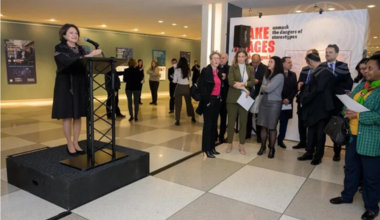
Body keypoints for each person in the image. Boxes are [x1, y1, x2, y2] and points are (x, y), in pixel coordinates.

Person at [330, 55, 380, 220]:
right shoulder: (361, 87)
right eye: (365, 68)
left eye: (370, 68)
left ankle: (372, 207)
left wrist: (358, 116)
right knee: (351, 169)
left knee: (371, 175)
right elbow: (347, 104)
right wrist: (347, 111)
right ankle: (347, 196)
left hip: (371, 140)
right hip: (352, 136)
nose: (365, 71)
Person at [52, 24, 102, 155]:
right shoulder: (60, 48)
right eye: (71, 32)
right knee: (68, 115)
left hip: (80, 83)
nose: (75, 35)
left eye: (76, 33)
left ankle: (76, 142)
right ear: (64, 35)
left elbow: (84, 64)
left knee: (78, 115)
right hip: (65, 84)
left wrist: (91, 57)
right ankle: (69, 142)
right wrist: (88, 55)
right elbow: (68, 62)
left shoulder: (81, 49)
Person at [297, 53, 335, 165]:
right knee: (311, 131)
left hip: (322, 108)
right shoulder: (321, 70)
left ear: (311, 62)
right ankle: (309, 153)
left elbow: (318, 89)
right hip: (314, 107)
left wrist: (305, 99)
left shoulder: (325, 71)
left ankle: (318, 156)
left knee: (320, 133)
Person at [324, 44, 353, 162]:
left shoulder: (343, 66)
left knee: (337, 126)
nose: (327, 54)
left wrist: (344, 91)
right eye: (326, 52)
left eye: (330, 52)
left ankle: (336, 152)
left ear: (336, 54)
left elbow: (348, 81)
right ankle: (318, 151)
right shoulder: (321, 66)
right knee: (323, 126)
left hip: (337, 102)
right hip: (324, 102)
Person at [225, 49, 255, 155]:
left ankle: (241, 144)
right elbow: (231, 81)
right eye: (239, 56)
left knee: (243, 123)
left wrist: (243, 84)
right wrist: (245, 88)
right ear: (236, 57)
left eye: (243, 56)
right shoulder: (233, 67)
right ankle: (230, 143)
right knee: (231, 123)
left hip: (244, 98)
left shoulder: (250, 68)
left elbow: (252, 82)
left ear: (246, 57)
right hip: (232, 98)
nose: (241, 58)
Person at [256, 56, 285, 158]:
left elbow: (267, 89)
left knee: (272, 127)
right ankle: (263, 146)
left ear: (276, 64)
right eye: (269, 62)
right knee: (263, 126)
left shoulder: (280, 75)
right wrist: (266, 86)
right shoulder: (267, 73)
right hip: (264, 102)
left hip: (274, 104)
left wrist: (265, 86)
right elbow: (264, 87)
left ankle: (272, 148)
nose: (269, 63)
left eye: (271, 62)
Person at [197, 51, 224, 158]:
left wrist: (220, 97)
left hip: (217, 101)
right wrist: (207, 101)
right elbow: (201, 87)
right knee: (208, 126)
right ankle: (206, 149)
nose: (217, 60)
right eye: (214, 58)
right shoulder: (206, 71)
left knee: (214, 126)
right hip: (209, 101)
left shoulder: (218, 72)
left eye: (218, 58)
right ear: (211, 60)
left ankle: (212, 147)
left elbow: (219, 87)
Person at [293, 49, 319, 149]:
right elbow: (300, 80)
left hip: (313, 101)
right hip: (302, 99)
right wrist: (299, 83)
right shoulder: (304, 69)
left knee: (312, 124)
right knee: (301, 123)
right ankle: (302, 142)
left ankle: (312, 144)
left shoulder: (319, 69)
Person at [277, 57, 297, 149]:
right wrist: (282, 99)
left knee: (284, 123)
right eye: (289, 62)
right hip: (277, 102)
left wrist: (288, 99)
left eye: (291, 62)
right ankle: (272, 139)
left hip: (288, 104)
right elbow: (276, 88)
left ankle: (280, 140)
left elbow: (295, 89)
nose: (291, 64)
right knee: (274, 122)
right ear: (283, 63)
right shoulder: (277, 74)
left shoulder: (293, 75)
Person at [250, 54, 268, 143]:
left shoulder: (265, 68)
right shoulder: (247, 66)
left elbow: (266, 81)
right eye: (253, 62)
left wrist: (259, 81)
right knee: (247, 115)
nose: (254, 64)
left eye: (256, 62)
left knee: (258, 116)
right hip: (248, 94)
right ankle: (246, 134)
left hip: (259, 95)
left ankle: (259, 136)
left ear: (260, 61)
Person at [173, 57, 196, 126]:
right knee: (189, 103)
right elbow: (189, 80)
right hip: (186, 87)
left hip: (179, 87)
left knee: (178, 105)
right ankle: (193, 117)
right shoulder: (188, 70)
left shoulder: (177, 70)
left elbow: (174, 81)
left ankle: (177, 120)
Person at [217, 52, 229, 143]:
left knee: (224, 118)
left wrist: (227, 78)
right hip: (215, 98)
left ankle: (222, 136)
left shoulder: (230, 69)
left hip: (225, 98)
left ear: (227, 60)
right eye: (220, 57)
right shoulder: (214, 68)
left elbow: (234, 81)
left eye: (223, 58)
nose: (221, 59)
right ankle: (214, 136)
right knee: (214, 118)